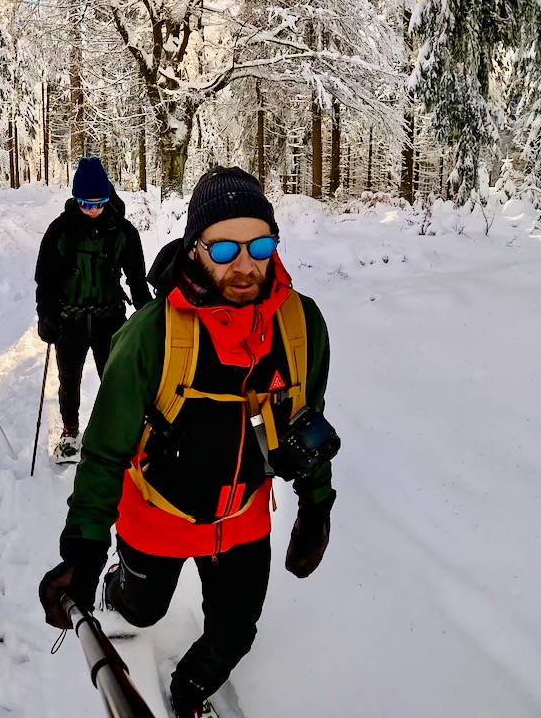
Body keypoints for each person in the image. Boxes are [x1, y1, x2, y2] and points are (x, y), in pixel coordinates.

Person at [38, 167, 338, 718]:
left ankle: (189, 692)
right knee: (142, 611)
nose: (245, 264)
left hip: (245, 519)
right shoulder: (152, 336)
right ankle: (118, 585)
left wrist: (317, 504)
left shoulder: (301, 326)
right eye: (224, 247)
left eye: (261, 244)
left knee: (236, 634)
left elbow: (305, 421)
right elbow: (104, 454)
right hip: (157, 517)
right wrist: (82, 549)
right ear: (195, 247)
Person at [34, 156, 152, 460]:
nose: (92, 210)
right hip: (68, 320)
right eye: (85, 204)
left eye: (98, 203)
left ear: (108, 197)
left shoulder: (123, 232)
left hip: (109, 319)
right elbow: (45, 281)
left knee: (114, 381)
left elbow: (137, 281)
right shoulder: (59, 231)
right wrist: (45, 315)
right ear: (76, 199)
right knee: (69, 382)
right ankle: (70, 431)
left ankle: (115, 432)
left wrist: (148, 316)